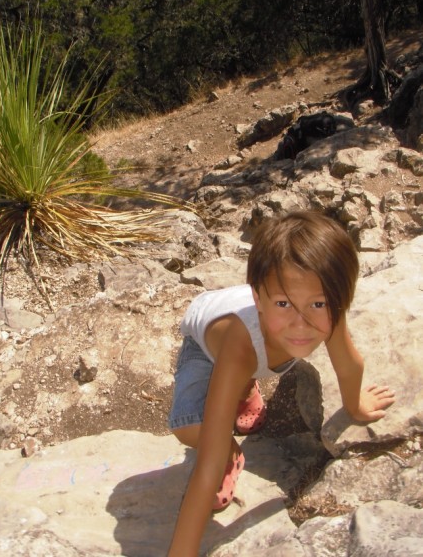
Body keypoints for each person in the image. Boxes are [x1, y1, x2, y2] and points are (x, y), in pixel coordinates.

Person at [167, 210, 396, 557]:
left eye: (317, 303)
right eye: (284, 303)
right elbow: (207, 466)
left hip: (257, 348)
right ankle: (235, 437)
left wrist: (355, 405)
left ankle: (244, 388)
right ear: (258, 299)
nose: (301, 323)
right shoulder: (239, 347)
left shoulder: (328, 313)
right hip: (207, 347)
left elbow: (350, 364)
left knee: (253, 365)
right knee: (189, 427)